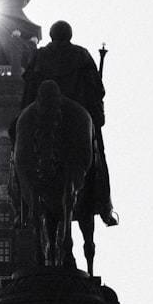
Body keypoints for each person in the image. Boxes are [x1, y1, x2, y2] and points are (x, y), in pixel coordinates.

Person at [20, 21, 117, 226]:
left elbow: (29, 86)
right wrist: (97, 116)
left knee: (17, 150)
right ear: (69, 36)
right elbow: (96, 89)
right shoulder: (81, 54)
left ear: (52, 35)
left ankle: (21, 205)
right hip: (77, 116)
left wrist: (23, 116)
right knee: (99, 154)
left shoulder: (39, 55)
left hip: (41, 113)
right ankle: (105, 204)